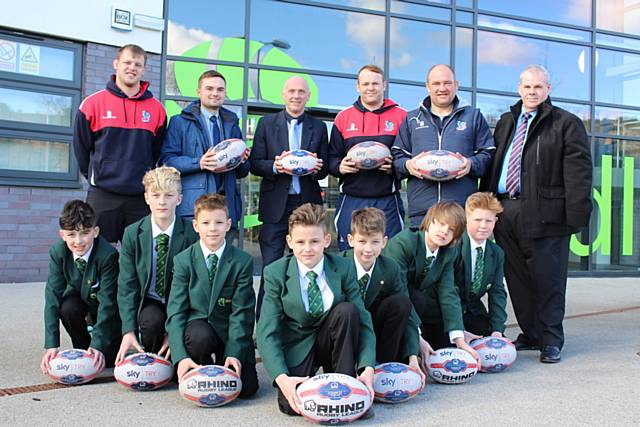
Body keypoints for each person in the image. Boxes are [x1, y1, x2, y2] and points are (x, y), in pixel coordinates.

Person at [479, 65, 592, 363]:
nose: (532, 92)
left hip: (546, 213)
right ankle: (532, 334)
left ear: (548, 89)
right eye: (527, 87)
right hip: (506, 210)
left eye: (538, 87)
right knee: (516, 279)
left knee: (548, 279)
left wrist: (576, 217)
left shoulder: (565, 123)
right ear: (520, 89)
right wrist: (486, 206)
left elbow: (579, 173)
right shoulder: (506, 121)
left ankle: (552, 339)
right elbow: (494, 163)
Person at [256, 203, 376, 417]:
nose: (307, 248)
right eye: (300, 242)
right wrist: (282, 379)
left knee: (347, 311)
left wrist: (367, 366)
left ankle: (346, 385)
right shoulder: (275, 273)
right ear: (289, 242)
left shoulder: (344, 267)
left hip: (332, 343)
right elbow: (267, 332)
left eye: (314, 241)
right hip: (298, 346)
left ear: (326, 241)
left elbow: (364, 319)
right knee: (291, 407)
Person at [249, 76, 329, 318]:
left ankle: (304, 320)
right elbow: (255, 163)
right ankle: (265, 325)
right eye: (292, 91)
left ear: (307, 96)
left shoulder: (319, 126)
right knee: (271, 268)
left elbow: (325, 169)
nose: (296, 95)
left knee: (308, 266)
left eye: (301, 92)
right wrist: (276, 166)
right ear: (283, 94)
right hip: (275, 206)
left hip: (307, 206)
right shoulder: (266, 123)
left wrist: (316, 166)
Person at [166, 194, 258, 397]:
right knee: (200, 336)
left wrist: (234, 353)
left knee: (247, 389)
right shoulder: (183, 260)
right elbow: (176, 312)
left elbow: (242, 314)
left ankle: (226, 361)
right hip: (200, 332)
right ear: (196, 225)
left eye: (218, 222)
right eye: (206, 223)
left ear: (228, 224)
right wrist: (180, 356)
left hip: (229, 331)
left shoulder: (242, 261)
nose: (213, 228)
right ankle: (200, 366)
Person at [73, 44, 167, 244]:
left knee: (138, 257)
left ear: (143, 69)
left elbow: (156, 151)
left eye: (137, 64)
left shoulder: (157, 109)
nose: (132, 67)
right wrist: (95, 173)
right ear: (116, 64)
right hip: (103, 194)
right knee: (99, 255)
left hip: (140, 197)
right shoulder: (92, 104)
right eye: (127, 62)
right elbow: (82, 149)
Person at [392, 64, 494, 227]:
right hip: (422, 212)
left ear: (456, 85)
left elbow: (488, 154)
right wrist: (407, 164)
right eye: (436, 83)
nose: (442, 88)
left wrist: (471, 164)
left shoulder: (473, 117)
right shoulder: (411, 119)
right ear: (427, 86)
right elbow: (397, 156)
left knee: (457, 253)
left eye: (447, 83)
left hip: (460, 210)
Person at [115, 166, 198, 364]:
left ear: (179, 199)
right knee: (151, 321)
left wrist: (175, 332)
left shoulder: (191, 234)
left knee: (194, 338)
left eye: (169, 195)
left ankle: (178, 356)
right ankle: (154, 360)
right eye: (156, 195)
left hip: (180, 302)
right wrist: (128, 330)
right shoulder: (132, 233)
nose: (162, 201)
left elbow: (194, 286)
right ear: (146, 198)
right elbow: (127, 285)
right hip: (151, 300)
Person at [384, 201, 480, 369]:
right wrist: (416, 338)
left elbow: (448, 292)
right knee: (415, 299)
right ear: (429, 220)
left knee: (445, 347)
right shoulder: (405, 243)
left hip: (416, 303)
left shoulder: (448, 252)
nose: (444, 232)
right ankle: (400, 356)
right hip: (388, 302)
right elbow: (399, 290)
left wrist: (459, 338)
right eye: (441, 224)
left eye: (451, 230)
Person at [160, 70, 250, 241]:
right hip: (193, 208)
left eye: (220, 89)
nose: (215, 93)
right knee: (190, 262)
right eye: (209, 88)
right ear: (199, 92)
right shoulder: (179, 122)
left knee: (222, 264)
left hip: (226, 207)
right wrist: (198, 163)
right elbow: (166, 162)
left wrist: (243, 161)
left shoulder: (232, 123)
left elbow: (241, 172)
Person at [341, 207, 425, 386]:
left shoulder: (390, 268)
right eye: (362, 241)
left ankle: (386, 366)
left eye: (375, 242)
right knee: (345, 312)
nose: (368, 249)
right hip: (347, 330)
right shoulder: (339, 265)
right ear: (350, 240)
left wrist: (413, 356)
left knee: (401, 303)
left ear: (384, 242)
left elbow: (408, 314)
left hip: (376, 328)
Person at [329, 65, 407, 250]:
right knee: (349, 254)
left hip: (387, 199)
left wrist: (394, 167)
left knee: (389, 254)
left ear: (384, 85)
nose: (370, 88)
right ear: (357, 86)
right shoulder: (343, 118)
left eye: (375, 83)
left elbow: (407, 157)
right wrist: (340, 166)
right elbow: (331, 157)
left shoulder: (401, 116)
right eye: (365, 83)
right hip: (351, 198)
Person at [41, 200, 120, 374]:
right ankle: (83, 348)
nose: (78, 241)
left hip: (104, 306)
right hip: (79, 297)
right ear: (62, 235)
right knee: (67, 308)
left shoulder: (108, 255)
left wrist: (98, 345)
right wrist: (51, 345)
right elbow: (52, 296)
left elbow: (108, 303)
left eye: (85, 233)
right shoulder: (58, 253)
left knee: (109, 360)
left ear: (96, 231)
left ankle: (98, 345)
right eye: (71, 235)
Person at [453, 192, 507, 338]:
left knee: (496, 345)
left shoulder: (496, 253)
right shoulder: (454, 246)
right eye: (477, 220)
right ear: (466, 219)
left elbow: (497, 292)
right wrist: (457, 330)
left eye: (489, 221)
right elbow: (447, 291)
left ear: (495, 221)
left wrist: (497, 329)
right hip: (447, 313)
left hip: (473, 311)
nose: (483, 226)